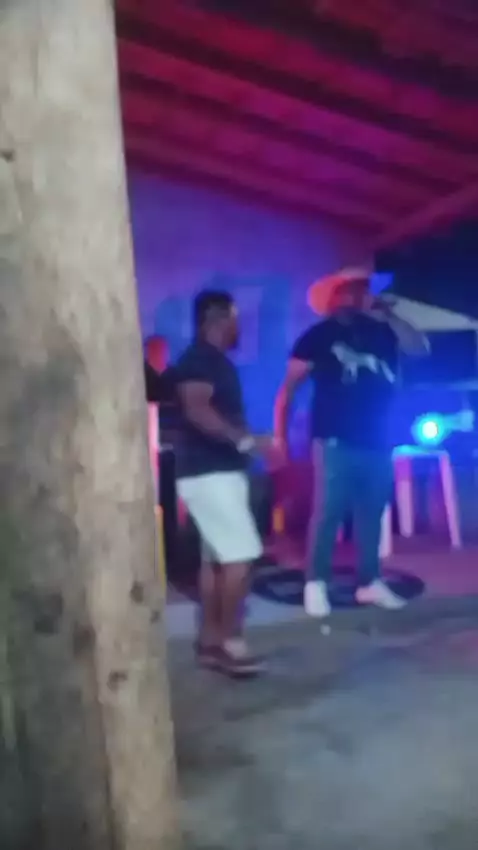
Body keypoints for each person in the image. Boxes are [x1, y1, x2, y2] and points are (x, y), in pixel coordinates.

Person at [274, 268, 429, 618]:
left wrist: (391, 315)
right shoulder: (318, 335)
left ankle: (369, 581)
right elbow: (289, 389)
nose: (359, 296)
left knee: (372, 510)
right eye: (352, 290)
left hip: (377, 437)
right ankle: (316, 582)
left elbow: (420, 348)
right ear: (334, 298)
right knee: (329, 510)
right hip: (334, 437)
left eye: (363, 290)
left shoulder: (383, 331)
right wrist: (281, 436)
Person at [174, 289, 279, 678]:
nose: (240, 328)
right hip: (210, 474)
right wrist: (244, 440)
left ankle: (209, 643)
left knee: (216, 562)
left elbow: (209, 412)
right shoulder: (200, 359)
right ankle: (229, 643)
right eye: (236, 320)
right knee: (240, 558)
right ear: (218, 319)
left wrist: (249, 442)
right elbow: (197, 409)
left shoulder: (211, 360)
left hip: (212, 473)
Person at [144, 335, 178, 568]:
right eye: (155, 350)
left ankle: (172, 556)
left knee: (170, 505)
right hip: (148, 450)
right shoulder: (140, 376)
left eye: (162, 350)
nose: (160, 354)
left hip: (172, 451)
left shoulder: (173, 376)